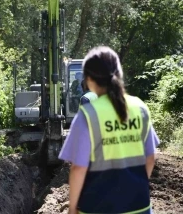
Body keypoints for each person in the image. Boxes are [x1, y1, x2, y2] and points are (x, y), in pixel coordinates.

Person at [58, 46, 160, 214]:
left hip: (96, 207)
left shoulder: (87, 114)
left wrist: (72, 208)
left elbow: (78, 168)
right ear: (119, 74)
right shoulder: (140, 107)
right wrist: (134, 189)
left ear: (89, 80)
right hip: (139, 206)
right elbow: (150, 158)